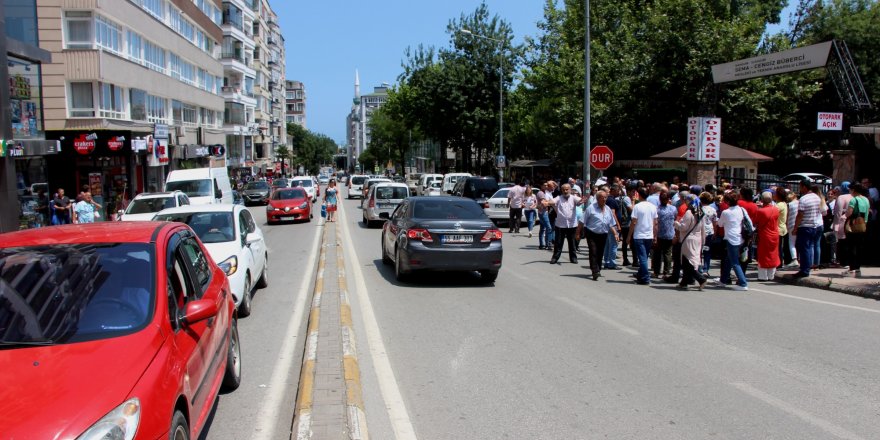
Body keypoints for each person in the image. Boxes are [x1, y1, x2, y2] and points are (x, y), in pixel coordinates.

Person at [543, 184, 584, 264]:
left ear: (570, 190)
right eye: (564, 190)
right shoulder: (559, 198)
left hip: (572, 225)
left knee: (572, 242)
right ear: (561, 190)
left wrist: (582, 200)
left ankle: (573, 258)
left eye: (567, 189)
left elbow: (579, 201)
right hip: (560, 225)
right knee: (558, 243)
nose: (565, 191)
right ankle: (555, 258)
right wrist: (547, 202)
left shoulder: (573, 198)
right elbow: (552, 201)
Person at [582, 190, 619, 280]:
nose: (605, 199)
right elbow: (582, 221)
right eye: (603, 197)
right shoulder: (591, 208)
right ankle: (595, 271)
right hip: (591, 233)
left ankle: (598, 268)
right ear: (598, 198)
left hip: (603, 234)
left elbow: (610, 223)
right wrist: (578, 233)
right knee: (593, 251)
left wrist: (615, 233)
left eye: (606, 197)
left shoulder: (608, 209)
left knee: (600, 252)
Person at [718, 191, 750, 291]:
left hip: (731, 238)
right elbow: (749, 222)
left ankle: (743, 283)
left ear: (727, 201)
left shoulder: (726, 212)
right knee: (729, 259)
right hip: (740, 237)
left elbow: (720, 224)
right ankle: (723, 280)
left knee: (735, 262)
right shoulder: (742, 209)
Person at [793, 181, 823, 278]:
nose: (800, 189)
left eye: (800, 187)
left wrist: (795, 227)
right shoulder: (817, 197)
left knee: (804, 248)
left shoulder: (803, 199)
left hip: (805, 226)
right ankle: (807, 267)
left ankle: (804, 270)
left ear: (804, 187)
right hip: (814, 226)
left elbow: (800, 215)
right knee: (809, 247)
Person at [675, 195, 706, 290]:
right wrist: (703, 241)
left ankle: (700, 278)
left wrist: (676, 223)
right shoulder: (701, 213)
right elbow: (703, 229)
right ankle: (684, 281)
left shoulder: (689, 212)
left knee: (687, 261)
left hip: (688, 239)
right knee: (689, 260)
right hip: (697, 239)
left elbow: (683, 227)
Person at [627, 187, 658, 285]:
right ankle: (641, 275)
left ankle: (645, 277)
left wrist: (629, 236)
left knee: (643, 258)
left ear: (639, 195)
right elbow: (655, 223)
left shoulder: (637, 206)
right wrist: (655, 235)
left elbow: (633, 222)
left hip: (639, 235)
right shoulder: (652, 206)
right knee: (644, 256)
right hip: (649, 235)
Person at [843, 183, 869, 277]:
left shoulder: (853, 200)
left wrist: (845, 213)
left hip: (853, 226)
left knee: (851, 247)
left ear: (853, 190)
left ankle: (852, 269)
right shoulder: (866, 199)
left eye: (850, 190)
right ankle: (858, 268)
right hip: (863, 225)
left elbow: (848, 213)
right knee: (859, 247)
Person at [753, 192, 780, 281]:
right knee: (773, 254)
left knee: (763, 255)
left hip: (764, 234)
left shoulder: (760, 211)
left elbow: (755, 221)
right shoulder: (776, 209)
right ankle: (771, 275)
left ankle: (763, 276)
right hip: (775, 234)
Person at [652, 191, 675, 279]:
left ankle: (656, 272)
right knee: (667, 253)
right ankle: (666, 272)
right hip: (670, 233)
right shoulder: (673, 209)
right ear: (668, 199)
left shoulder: (657, 209)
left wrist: (654, 235)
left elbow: (655, 223)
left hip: (659, 234)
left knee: (657, 254)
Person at [603, 184, 626, 269]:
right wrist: (618, 225)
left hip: (608, 225)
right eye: (617, 191)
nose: (619, 192)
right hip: (613, 225)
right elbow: (613, 214)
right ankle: (612, 263)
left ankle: (607, 262)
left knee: (608, 244)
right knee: (613, 244)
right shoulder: (612, 200)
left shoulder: (607, 200)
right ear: (612, 191)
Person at [831, 182, 852, 269]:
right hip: (852, 222)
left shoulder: (841, 197)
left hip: (842, 221)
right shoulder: (854, 197)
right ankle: (849, 261)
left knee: (841, 243)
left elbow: (838, 212)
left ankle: (843, 262)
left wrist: (835, 224)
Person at [699, 192, 718, 277]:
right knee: (707, 250)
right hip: (709, 232)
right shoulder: (712, 210)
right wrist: (715, 232)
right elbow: (715, 222)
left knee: (698, 251)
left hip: (700, 232)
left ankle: (699, 268)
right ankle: (706, 269)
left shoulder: (699, 209)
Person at [537, 182, 554, 250]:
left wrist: (549, 202)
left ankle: (542, 244)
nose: (546, 186)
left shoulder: (545, 192)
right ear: (541, 186)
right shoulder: (541, 193)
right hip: (543, 212)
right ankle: (549, 244)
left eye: (547, 185)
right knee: (549, 228)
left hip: (543, 212)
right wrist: (550, 203)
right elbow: (544, 203)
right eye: (545, 185)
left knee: (542, 228)